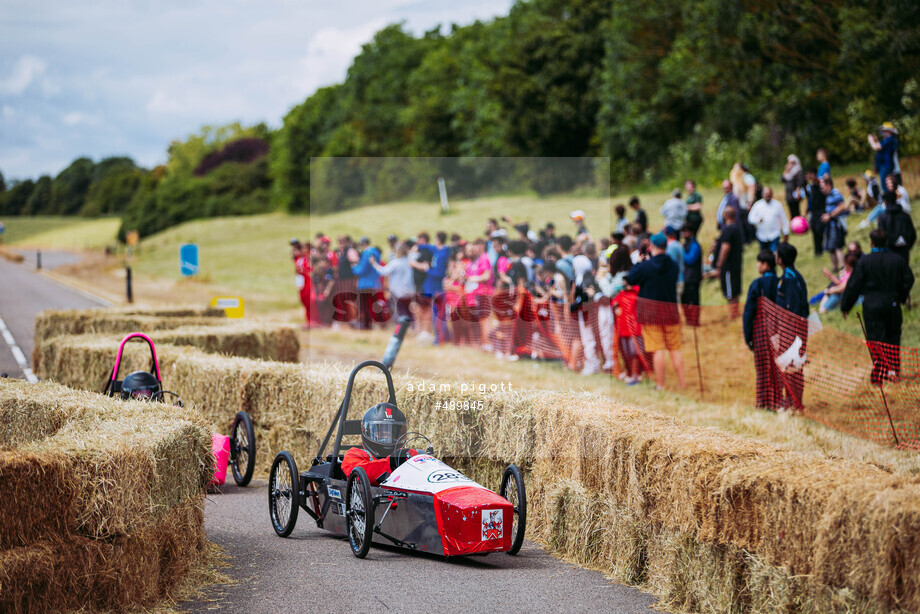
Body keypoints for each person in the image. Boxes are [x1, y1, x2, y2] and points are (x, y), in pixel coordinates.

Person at [841, 229, 915, 385]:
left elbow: (854, 285)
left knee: (876, 340)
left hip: (872, 306)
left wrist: (846, 305)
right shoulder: (897, 259)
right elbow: (909, 278)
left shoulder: (864, 262)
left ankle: (879, 374)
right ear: (887, 242)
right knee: (893, 338)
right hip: (892, 304)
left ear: (871, 243)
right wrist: (900, 296)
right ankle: (894, 372)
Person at [626, 233, 686, 390]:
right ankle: (682, 383)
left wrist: (639, 263)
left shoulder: (645, 266)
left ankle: (661, 384)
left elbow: (631, 278)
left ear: (651, 247)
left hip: (651, 314)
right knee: (675, 349)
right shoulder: (673, 265)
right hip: (670, 312)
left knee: (657, 349)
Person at [341, 402, 416, 485]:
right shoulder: (353, 454)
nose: (387, 438)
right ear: (367, 431)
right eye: (381, 434)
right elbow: (360, 474)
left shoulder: (406, 454)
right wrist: (391, 463)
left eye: (391, 434)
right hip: (370, 496)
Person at [742, 251, 780, 409]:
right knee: (777, 367)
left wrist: (748, 337)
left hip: (761, 331)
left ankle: (763, 402)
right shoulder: (780, 282)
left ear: (765, 264)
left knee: (763, 368)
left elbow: (748, 313)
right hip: (779, 330)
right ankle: (777, 401)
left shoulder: (757, 284)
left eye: (759, 262)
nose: (757, 265)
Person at [774, 243, 809, 410]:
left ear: (780, 259)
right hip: (796, 328)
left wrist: (791, 333)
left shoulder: (789, 279)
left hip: (792, 329)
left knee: (791, 365)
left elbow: (793, 308)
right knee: (791, 365)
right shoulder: (795, 275)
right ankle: (792, 401)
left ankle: (792, 403)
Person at [711, 206, 744, 317]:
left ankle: (733, 315)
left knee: (731, 292)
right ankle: (735, 313)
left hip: (729, 267)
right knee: (734, 290)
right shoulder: (736, 229)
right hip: (736, 265)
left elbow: (725, 248)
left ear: (725, 215)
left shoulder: (728, 230)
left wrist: (719, 265)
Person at [372, 243, 415, 321]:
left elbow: (383, 271)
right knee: (408, 309)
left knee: (399, 309)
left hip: (398, 290)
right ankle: (411, 326)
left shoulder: (396, 262)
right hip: (410, 290)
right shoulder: (408, 262)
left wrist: (374, 263)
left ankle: (401, 326)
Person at [877, 190, 916, 265]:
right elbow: (913, 235)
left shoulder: (882, 218)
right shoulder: (905, 216)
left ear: (885, 202)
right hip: (904, 250)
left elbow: (881, 236)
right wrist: (907, 246)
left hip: (889, 252)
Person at [352, 237, 384, 330]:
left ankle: (366, 324)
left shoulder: (367, 253)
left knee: (365, 305)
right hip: (375, 282)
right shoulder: (376, 252)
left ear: (363, 244)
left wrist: (354, 267)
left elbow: (362, 269)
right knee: (373, 304)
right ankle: (377, 323)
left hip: (365, 283)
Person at [747, 186, 790, 252]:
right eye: (766, 194)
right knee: (764, 256)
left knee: (773, 254)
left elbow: (784, 219)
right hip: (762, 235)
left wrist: (785, 232)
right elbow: (750, 219)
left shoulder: (777, 205)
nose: (768, 196)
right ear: (762, 195)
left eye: (769, 194)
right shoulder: (757, 205)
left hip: (774, 234)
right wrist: (758, 220)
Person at [820, 178, 848, 271]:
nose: (822, 189)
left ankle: (843, 267)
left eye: (823, 187)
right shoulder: (826, 196)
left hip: (836, 224)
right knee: (830, 247)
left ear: (829, 185)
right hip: (829, 225)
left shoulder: (835, 193)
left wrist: (830, 215)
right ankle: (835, 267)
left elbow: (842, 206)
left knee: (836, 246)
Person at [680, 225, 702, 327]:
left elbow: (690, 259)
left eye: (686, 232)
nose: (684, 234)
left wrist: (681, 252)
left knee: (694, 300)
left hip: (693, 278)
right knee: (685, 300)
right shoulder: (686, 244)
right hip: (686, 278)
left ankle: (695, 321)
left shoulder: (694, 245)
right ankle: (689, 320)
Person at [869, 122, 901, 190]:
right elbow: (880, 146)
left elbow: (877, 147)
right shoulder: (887, 139)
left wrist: (871, 140)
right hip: (883, 165)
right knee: (885, 184)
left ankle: (889, 198)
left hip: (886, 165)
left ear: (888, 131)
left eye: (884, 131)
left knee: (885, 185)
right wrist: (876, 140)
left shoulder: (890, 139)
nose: (883, 132)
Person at [804, 168, 825, 256]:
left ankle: (821, 248)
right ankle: (817, 251)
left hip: (821, 210)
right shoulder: (809, 187)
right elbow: (809, 200)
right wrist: (806, 211)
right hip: (813, 211)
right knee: (814, 230)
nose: (808, 177)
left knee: (819, 229)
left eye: (809, 175)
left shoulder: (821, 183)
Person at [782, 155, 805, 219]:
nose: (790, 164)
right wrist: (786, 170)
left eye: (792, 163)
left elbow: (800, 182)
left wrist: (798, 191)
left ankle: (798, 226)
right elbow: (782, 179)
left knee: (796, 211)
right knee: (791, 213)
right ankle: (794, 225)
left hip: (795, 195)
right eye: (789, 162)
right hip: (788, 195)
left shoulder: (798, 171)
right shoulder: (788, 172)